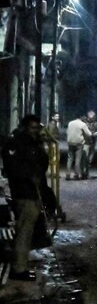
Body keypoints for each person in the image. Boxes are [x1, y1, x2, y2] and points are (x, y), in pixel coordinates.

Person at [0, 115, 50, 281]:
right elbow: (13, 168)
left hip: (33, 192)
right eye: (32, 128)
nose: (35, 131)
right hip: (24, 192)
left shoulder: (33, 142)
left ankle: (21, 265)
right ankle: (18, 269)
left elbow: (43, 163)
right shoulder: (15, 143)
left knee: (27, 231)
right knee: (24, 231)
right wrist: (29, 176)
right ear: (24, 127)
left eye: (37, 128)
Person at [66, 114, 96, 180]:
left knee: (70, 159)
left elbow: (67, 132)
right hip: (78, 144)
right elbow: (89, 134)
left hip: (70, 142)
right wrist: (95, 134)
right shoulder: (82, 124)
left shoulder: (70, 123)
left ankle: (68, 174)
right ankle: (76, 175)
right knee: (78, 159)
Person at [81, 110, 97, 178]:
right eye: (93, 116)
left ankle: (86, 173)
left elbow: (96, 129)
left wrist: (96, 133)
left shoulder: (95, 123)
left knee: (90, 159)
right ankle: (83, 172)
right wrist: (92, 134)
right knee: (84, 158)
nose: (94, 118)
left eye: (94, 117)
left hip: (93, 142)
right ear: (89, 116)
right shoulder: (84, 123)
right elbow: (85, 132)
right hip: (86, 142)